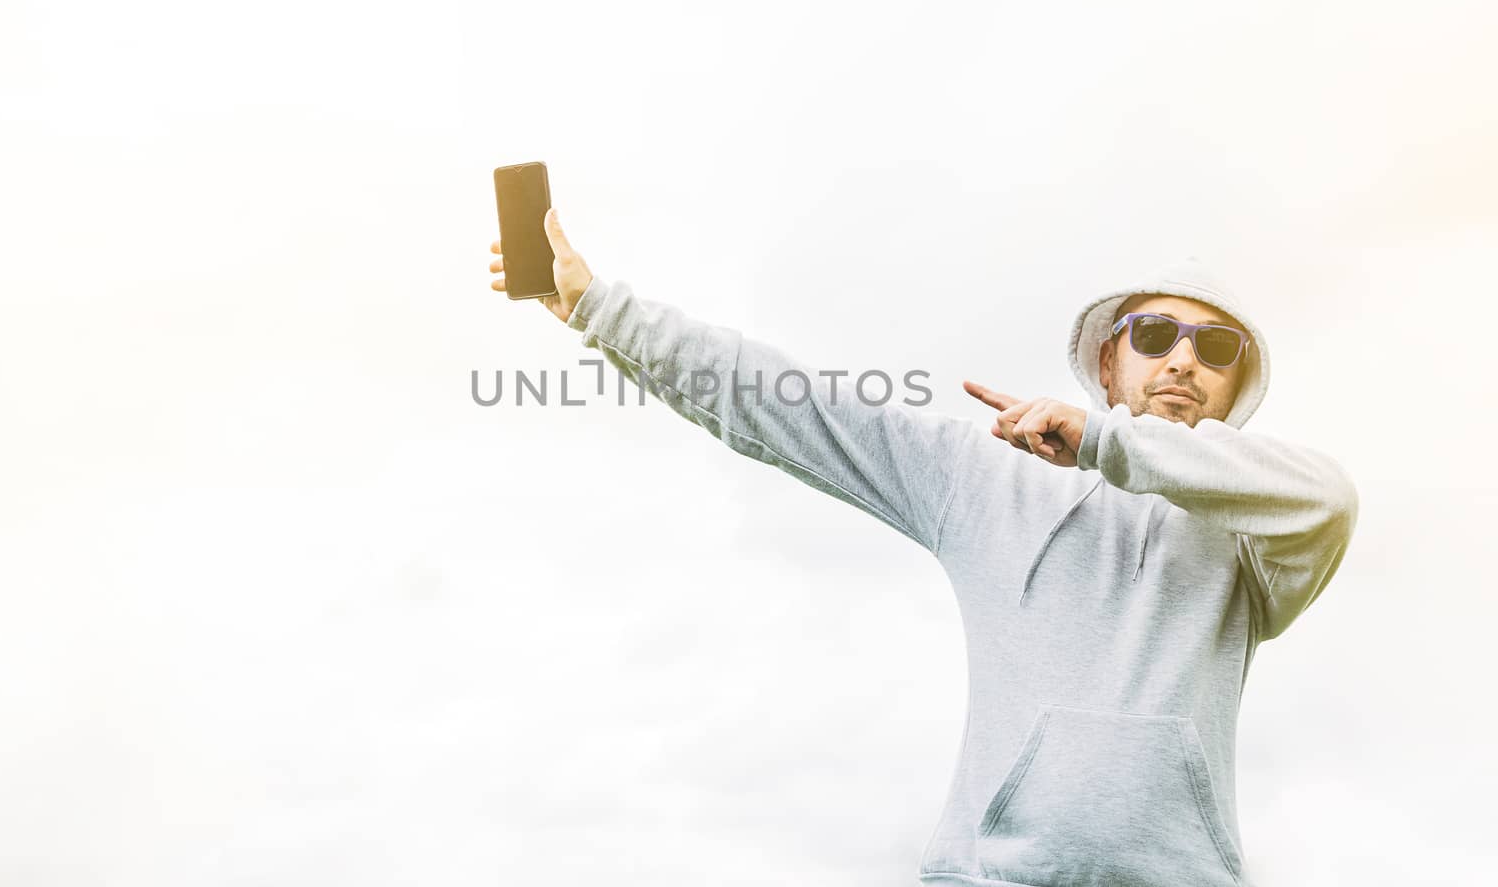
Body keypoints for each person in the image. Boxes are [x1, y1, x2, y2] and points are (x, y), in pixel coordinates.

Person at [487, 209, 1358, 887]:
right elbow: (793, 407)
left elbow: (1332, 497)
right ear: (1106, 362)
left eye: (1214, 347)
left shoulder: (1256, 532)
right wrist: (604, 312)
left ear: (1237, 384)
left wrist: (1103, 442)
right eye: (1157, 334)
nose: (1182, 361)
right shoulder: (986, 479)